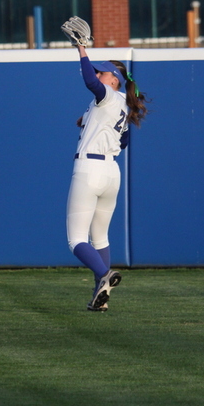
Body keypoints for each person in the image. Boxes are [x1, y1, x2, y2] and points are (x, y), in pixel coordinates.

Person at [60, 16, 149, 311]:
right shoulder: (124, 103)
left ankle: (104, 274)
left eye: (103, 72)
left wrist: (81, 49)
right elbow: (123, 142)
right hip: (111, 172)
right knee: (99, 237)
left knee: (76, 240)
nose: (98, 74)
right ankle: (102, 296)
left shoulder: (108, 95)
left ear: (114, 80)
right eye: (98, 71)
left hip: (90, 170)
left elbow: (89, 82)